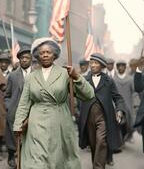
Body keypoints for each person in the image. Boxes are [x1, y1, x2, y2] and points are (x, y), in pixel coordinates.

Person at [13, 37, 94, 169]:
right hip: (37, 123)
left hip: (59, 121)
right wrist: (18, 123)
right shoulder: (31, 77)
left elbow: (89, 94)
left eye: (48, 52)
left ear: (54, 54)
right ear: (37, 56)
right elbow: (24, 102)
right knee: (37, 160)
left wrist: (77, 77)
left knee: (57, 160)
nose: (45, 55)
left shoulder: (65, 73)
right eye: (42, 52)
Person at [78, 53, 125, 169]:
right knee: (94, 145)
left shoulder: (108, 81)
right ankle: (97, 164)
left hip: (103, 117)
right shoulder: (84, 80)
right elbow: (76, 94)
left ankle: (98, 167)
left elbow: (118, 97)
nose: (93, 65)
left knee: (101, 142)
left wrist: (119, 110)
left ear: (102, 66)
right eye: (91, 63)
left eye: (96, 63)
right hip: (88, 117)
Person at [5, 46, 32, 168]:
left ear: (31, 59)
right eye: (22, 58)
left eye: (27, 57)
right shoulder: (13, 76)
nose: (24, 60)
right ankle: (14, 158)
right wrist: (9, 106)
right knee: (15, 139)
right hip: (15, 112)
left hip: (33, 112)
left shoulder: (38, 74)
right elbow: (7, 94)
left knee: (30, 140)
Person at [113, 60, 135, 143]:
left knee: (129, 123)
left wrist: (135, 104)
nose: (121, 67)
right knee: (119, 122)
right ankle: (120, 139)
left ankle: (129, 135)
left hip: (128, 105)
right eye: (119, 66)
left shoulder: (130, 79)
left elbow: (134, 92)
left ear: (125, 67)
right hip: (117, 105)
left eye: (123, 66)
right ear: (117, 67)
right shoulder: (113, 79)